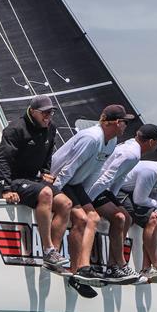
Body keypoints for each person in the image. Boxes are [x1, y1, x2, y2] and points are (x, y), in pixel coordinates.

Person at [0, 95, 96, 297]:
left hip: (34, 180)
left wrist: (44, 171)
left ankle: (52, 254)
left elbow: (47, 155)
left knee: (66, 203)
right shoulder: (15, 129)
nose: (49, 116)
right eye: (45, 113)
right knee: (47, 193)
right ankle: (48, 248)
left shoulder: (51, 128)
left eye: (51, 112)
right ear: (33, 111)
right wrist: (6, 188)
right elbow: (3, 161)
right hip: (16, 180)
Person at [50, 104, 133, 285]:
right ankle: (78, 267)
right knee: (81, 218)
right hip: (61, 179)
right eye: (125, 122)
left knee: (93, 217)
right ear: (116, 122)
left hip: (76, 183)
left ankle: (83, 268)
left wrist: (86, 198)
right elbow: (68, 167)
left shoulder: (110, 142)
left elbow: (95, 172)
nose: (126, 126)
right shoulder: (92, 138)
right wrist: (54, 191)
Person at [86, 123, 157, 283]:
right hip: (93, 187)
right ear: (151, 142)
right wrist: (88, 200)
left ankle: (112, 266)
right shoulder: (132, 153)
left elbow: (120, 177)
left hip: (104, 190)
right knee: (120, 218)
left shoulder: (132, 147)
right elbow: (107, 176)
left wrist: (113, 198)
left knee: (127, 218)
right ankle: (118, 266)